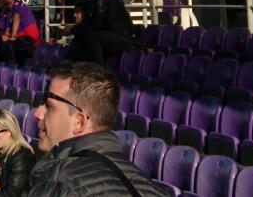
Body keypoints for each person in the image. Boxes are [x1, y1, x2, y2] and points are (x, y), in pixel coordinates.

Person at [28, 62, 169, 197]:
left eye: (49, 106)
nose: (38, 113)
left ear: (79, 122)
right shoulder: (154, 189)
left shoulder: (61, 183)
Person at [66, 0, 135, 64]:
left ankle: (98, 69)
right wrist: (76, 30)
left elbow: (96, 24)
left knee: (92, 36)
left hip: (122, 36)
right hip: (111, 33)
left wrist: (73, 29)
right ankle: (73, 63)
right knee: (81, 35)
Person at [0, 0, 42, 64]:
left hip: (29, 37)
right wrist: (5, 35)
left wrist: (13, 36)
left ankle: (15, 67)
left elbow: (16, 17)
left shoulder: (18, 5)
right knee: (3, 43)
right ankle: (3, 68)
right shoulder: (9, 11)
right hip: (20, 37)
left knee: (10, 44)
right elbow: (8, 26)